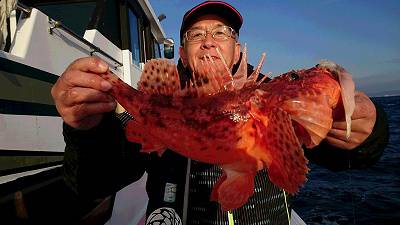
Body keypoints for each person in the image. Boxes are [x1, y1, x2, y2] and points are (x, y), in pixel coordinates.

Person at [51, 1, 389, 224]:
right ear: (182, 54)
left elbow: (342, 155)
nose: (209, 41)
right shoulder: (160, 106)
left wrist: (366, 134)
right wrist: (87, 129)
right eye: (197, 35)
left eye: (221, 33)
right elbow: (92, 182)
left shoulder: (274, 98)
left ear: (237, 48)